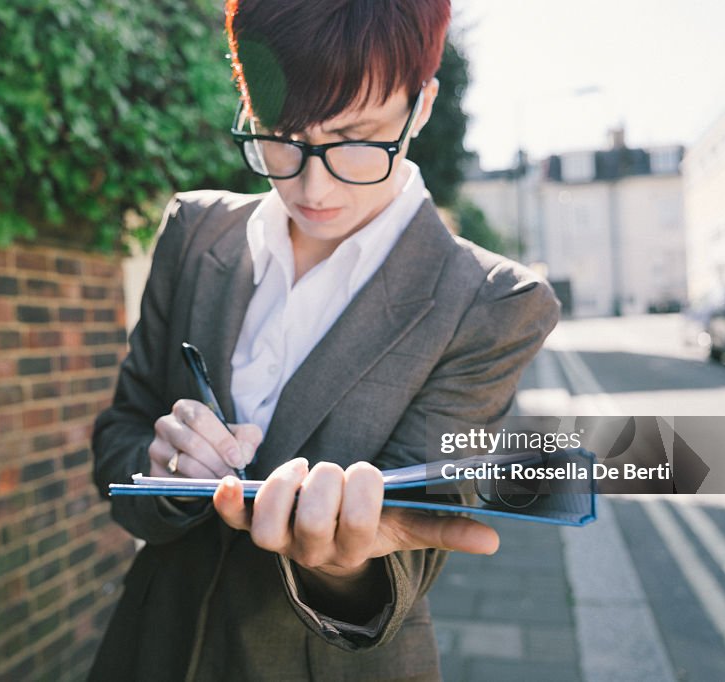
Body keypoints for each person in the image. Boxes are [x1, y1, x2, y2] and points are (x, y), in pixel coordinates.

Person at [89, 1, 560, 679]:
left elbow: (412, 552)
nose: (312, 186)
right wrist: (165, 470)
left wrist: (345, 565)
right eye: (280, 135)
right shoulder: (193, 234)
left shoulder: (491, 303)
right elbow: (118, 438)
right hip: (149, 651)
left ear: (420, 107)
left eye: (356, 137)